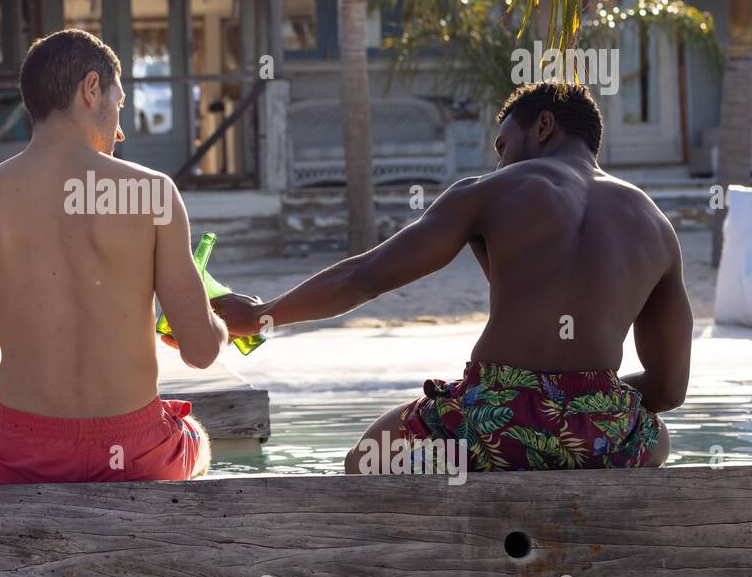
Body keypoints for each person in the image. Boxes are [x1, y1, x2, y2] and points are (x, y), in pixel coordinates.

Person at [214, 82, 690, 473]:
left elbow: (363, 277)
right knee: (656, 436)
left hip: (491, 419)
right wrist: (584, 398)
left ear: (543, 126)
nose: (499, 162)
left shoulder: (489, 191)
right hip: (603, 429)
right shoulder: (655, 225)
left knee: (364, 460)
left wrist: (258, 316)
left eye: (503, 146)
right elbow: (669, 389)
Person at [0, 28, 228, 485]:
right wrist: (218, 324)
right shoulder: (150, 192)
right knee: (200, 440)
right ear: (91, 90)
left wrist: (30, 430)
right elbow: (201, 352)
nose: (121, 127)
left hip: (24, 455)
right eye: (119, 104)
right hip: (136, 452)